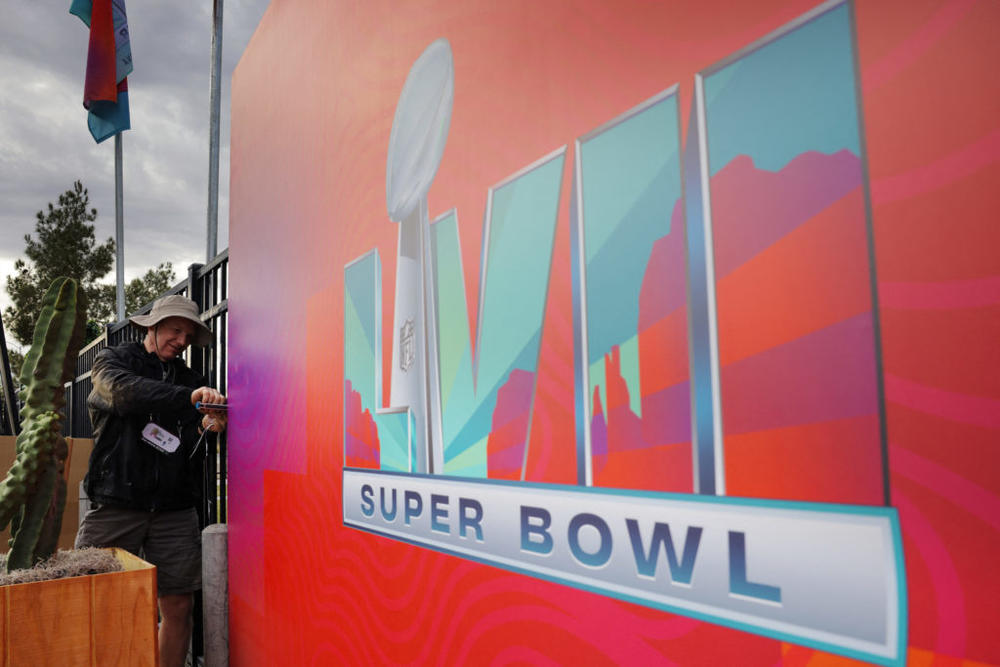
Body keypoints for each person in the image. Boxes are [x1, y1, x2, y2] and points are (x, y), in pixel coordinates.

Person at [75, 295, 227, 667]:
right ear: (153, 327)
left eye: (188, 337)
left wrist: (209, 426)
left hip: (175, 510)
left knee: (178, 604)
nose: (181, 341)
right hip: (116, 503)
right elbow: (122, 394)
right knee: (89, 595)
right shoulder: (114, 361)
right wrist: (188, 399)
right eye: (175, 331)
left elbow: (193, 440)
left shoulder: (192, 378)